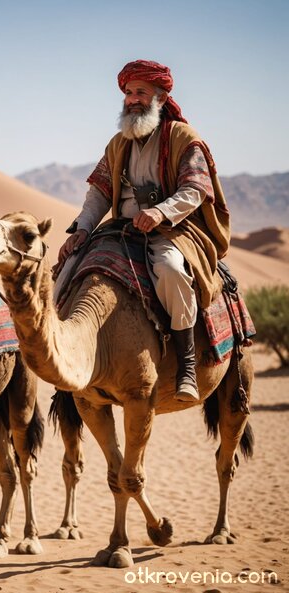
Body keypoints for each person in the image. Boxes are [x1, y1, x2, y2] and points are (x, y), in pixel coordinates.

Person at [57, 59, 231, 402]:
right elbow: (99, 193)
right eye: (128, 93)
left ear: (161, 98)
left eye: (141, 92)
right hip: (120, 229)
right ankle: (64, 354)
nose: (133, 99)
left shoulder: (184, 138)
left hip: (173, 230)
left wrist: (160, 212)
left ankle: (187, 364)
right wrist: (82, 229)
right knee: (67, 269)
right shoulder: (118, 142)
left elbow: (195, 190)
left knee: (170, 271)